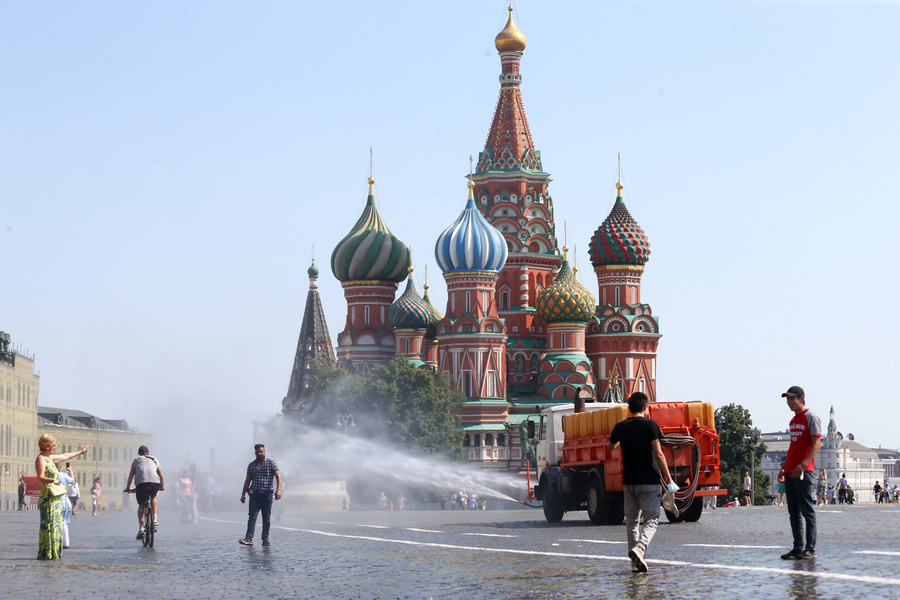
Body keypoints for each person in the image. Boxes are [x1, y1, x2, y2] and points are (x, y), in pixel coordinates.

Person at [607, 391, 678, 573]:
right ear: (646, 407)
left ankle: (635, 563)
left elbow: (611, 447)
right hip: (649, 480)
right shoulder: (650, 425)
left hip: (629, 481)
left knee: (631, 521)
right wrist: (669, 479)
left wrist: (621, 439)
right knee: (652, 520)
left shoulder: (620, 426)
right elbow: (658, 453)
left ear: (629, 408)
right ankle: (639, 549)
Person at [778, 386, 822, 560]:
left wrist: (803, 465)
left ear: (801, 398)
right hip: (790, 470)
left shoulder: (812, 417)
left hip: (803, 471)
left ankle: (810, 548)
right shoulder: (793, 421)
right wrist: (783, 468)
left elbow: (816, 443)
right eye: (787, 399)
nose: (789, 402)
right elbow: (793, 447)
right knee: (793, 511)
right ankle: (798, 547)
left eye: (792, 399)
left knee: (807, 511)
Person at [34, 433, 89, 560]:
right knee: (49, 524)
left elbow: (65, 456)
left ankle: (55, 552)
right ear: (47, 446)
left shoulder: (50, 458)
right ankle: (47, 552)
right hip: (48, 496)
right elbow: (40, 477)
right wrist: (51, 481)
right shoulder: (41, 459)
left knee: (57, 524)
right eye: (53, 445)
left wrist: (80, 452)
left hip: (57, 497)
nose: (55, 447)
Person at [239, 443, 281, 547]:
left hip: (267, 494)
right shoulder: (251, 465)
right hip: (255, 495)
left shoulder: (271, 463)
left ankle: (265, 539)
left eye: (261, 451)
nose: (259, 453)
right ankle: (248, 538)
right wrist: (243, 494)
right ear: (255, 453)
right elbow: (247, 481)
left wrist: (278, 490)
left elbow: (278, 477)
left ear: (265, 452)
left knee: (266, 517)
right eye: (257, 452)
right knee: (252, 517)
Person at [124, 445, 165, 540]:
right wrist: (162, 486)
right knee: (153, 497)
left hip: (141, 484)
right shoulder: (154, 459)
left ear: (139, 453)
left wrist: (128, 488)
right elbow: (161, 476)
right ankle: (155, 519)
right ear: (148, 453)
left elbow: (131, 476)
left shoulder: (136, 460)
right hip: (154, 482)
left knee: (142, 505)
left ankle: (141, 528)